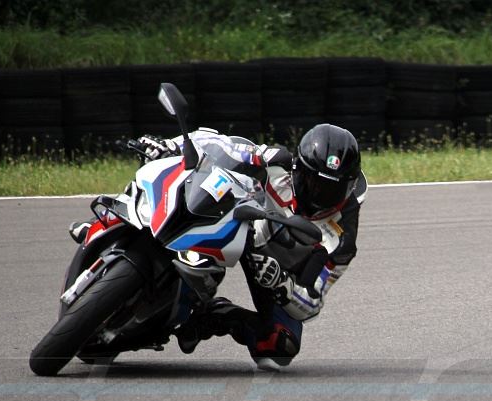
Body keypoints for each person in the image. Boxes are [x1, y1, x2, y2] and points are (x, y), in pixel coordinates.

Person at [140, 123, 366, 370]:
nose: (319, 194)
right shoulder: (277, 162)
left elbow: (313, 302)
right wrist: (171, 145)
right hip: (236, 221)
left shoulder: (343, 238)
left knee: (280, 346)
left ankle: (217, 315)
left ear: (350, 186)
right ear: (297, 167)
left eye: (332, 189)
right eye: (313, 182)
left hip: (270, 267)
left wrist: (282, 284)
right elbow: (224, 145)